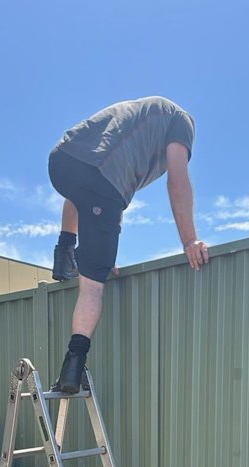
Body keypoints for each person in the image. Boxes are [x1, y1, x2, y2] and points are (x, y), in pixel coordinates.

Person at [48, 96, 209, 393]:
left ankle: (65, 252)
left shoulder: (143, 112)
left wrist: (77, 246)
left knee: (83, 195)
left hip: (62, 161)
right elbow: (177, 178)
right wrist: (189, 240)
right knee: (92, 287)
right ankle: (74, 365)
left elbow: (83, 182)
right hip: (103, 184)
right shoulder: (181, 121)